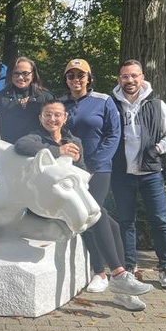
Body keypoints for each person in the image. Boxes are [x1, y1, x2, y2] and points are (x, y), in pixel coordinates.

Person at [15, 100, 153, 310]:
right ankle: (118, 276)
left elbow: (83, 173)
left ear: (65, 118)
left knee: (110, 223)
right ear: (40, 118)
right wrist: (57, 151)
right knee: (99, 215)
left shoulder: (74, 141)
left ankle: (121, 281)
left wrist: (78, 161)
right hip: (49, 203)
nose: (52, 119)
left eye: (57, 115)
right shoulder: (35, 137)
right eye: (48, 115)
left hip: (71, 198)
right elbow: (21, 146)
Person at [111, 59, 166, 289]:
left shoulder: (156, 104)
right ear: (119, 79)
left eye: (134, 76)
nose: (129, 80)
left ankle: (165, 268)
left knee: (159, 221)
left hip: (150, 173)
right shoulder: (111, 104)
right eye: (125, 76)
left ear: (142, 77)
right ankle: (129, 268)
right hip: (122, 174)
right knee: (126, 222)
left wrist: (159, 148)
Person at [60, 59, 122, 296]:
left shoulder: (104, 101)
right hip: (71, 170)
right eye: (71, 76)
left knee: (91, 214)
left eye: (80, 75)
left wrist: (94, 165)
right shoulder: (61, 102)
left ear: (89, 77)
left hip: (98, 168)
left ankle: (101, 272)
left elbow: (113, 135)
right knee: (104, 218)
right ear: (66, 79)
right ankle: (121, 267)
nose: (76, 80)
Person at [0, 56, 54, 143]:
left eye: (25, 73)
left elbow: (55, 127)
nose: (20, 77)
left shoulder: (46, 98)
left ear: (33, 74)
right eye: (16, 73)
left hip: (38, 149)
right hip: (7, 151)